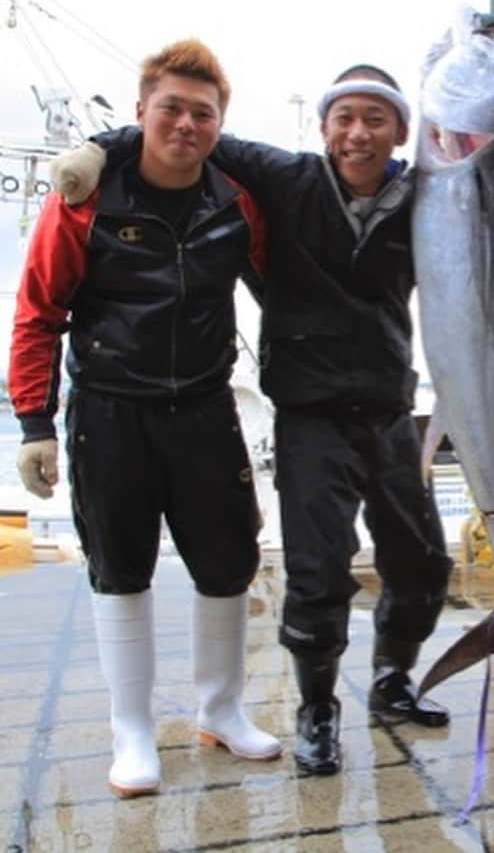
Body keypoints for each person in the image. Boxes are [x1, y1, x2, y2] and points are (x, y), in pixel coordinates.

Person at [49, 64, 454, 777]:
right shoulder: (286, 177)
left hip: (390, 406)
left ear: (402, 132)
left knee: (423, 561)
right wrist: (95, 149)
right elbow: (178, 130)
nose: (358, 133)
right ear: (325, 126)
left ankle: (392, 678)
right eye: (345, 117)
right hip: (309, 411)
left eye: (376, 119)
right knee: (318, 570)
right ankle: (317, 708)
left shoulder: (427, 197)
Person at [10, 39, 282, 798]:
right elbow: (38, 313)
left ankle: (221, 709)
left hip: (204, 406)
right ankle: (131, 728)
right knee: (119, 569)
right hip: (110, 410)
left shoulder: (236, 200)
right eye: (171, 108)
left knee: (228, 562)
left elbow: (279, 295)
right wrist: (35, 423)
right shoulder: (87, 199)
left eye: (204, 113)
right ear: (140, 114)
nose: (186, 124)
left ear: (220, 123)